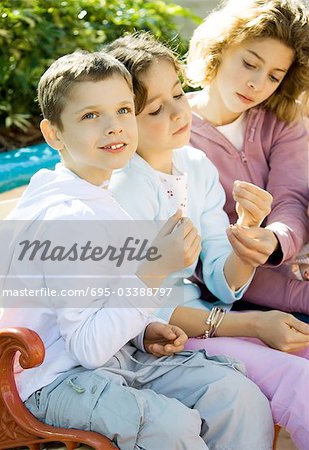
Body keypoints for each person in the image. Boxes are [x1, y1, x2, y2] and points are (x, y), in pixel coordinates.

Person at [0, 50, 275, 450]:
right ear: (53, 134)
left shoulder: (96, 195)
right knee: (172, 427)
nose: (114, 127)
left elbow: (98, 304)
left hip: (111, 361)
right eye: (91, 116)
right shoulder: (67, 216)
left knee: (234, 393)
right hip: (54, 379)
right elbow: (87, 348)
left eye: (124, 110)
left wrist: (143, 333)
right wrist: (155, 269)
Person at [107, 32, 309, 449]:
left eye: (179, 95)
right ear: (122, 120)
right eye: (156, 109)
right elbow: (142, 310)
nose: (180, 112)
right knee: (298, 379)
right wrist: (254, 323)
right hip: (165, 340)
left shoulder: (194, 165)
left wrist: (247, 235)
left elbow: (221, 281)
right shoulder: (124, 187)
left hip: (212, 320)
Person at [186, 0, 309, 314]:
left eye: (274, 76)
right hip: (227, 272)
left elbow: (290, 196)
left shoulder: (282, 120)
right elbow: (202, 252)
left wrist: (275, 240)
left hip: (289, 250)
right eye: (250, 63)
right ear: (221, 48)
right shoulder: (172, 128)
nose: (257, 84)